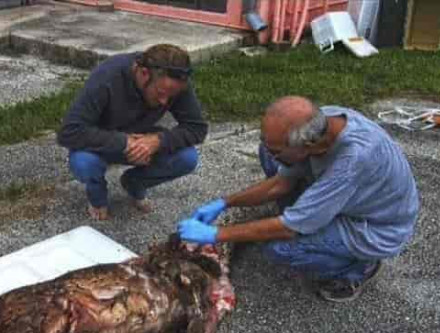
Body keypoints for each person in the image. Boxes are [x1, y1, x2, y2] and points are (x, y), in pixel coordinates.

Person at [178, 96, 419, 303]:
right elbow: (281, 182)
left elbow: (289, 228)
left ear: (309, 145)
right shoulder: (322, 121)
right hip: (349, 194)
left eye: (278, 149)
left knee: (281, 248)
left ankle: (359, 267)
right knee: (270, 156)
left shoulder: (352, 161)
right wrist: (225, 202)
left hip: (375, 226)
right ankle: (310, 212)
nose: (271, 152)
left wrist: (216, 234)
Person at [57, 43, 208, 221]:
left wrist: (158, 141)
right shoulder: (107, 76)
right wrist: (125, 142)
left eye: (171, 96)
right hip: (100, 141)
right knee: (84, 162)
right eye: (161, 93)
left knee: (187, 158)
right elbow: (69, 131)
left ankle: (134, 183)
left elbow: (197, 128)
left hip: (143, 136)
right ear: (144, 74)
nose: (164, 101)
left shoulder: (175, 82)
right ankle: (97, 197)